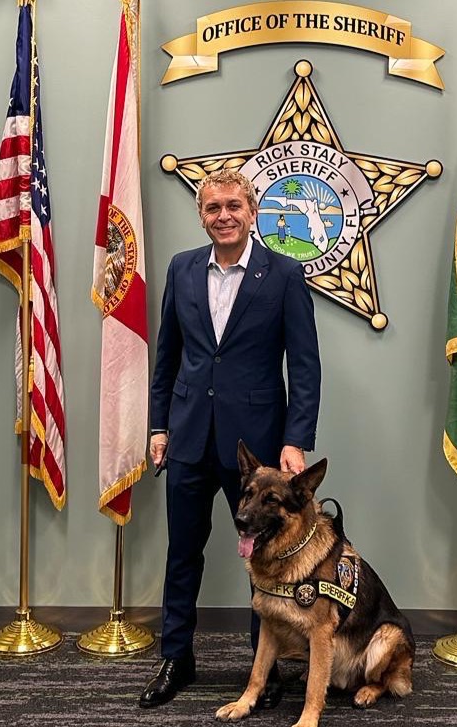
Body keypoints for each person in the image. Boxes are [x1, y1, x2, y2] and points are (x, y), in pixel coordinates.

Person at [139, 169, 321, 708]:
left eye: (233, 206)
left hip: (259, 451)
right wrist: (158, 425)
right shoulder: (182, 268)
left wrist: (296, 439)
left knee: (267, 561)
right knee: (182, 554)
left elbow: (305, 367)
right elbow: (168, 356)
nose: (224, 216)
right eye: (213, 207)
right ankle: (177, 658)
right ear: (201, 214)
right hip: (189, 437)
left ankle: (260, 672)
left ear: (252, 210)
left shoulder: (284, 274)